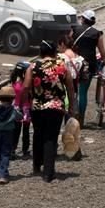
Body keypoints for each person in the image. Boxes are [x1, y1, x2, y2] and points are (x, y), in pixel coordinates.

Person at [24, 40, 77, 182]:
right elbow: (70, 88)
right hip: (56, 107)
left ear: (41, 52)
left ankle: (36, 165)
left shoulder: (33, 66)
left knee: (38, 134)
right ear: (54, 52)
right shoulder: (61, 66)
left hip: (37, 107)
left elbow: (26, 86)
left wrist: (25, 102)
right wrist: (72, 106)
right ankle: (48, 172)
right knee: (51, 138)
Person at [70, 9, 105, 125]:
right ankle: (80, 120)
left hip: (74, 64)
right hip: (88, 66)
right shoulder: (97, 34)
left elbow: (68, 45)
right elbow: (102, 52)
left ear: (82, 19)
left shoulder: (74, 29)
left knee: (71, 91)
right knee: (82, 93)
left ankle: (70, 117)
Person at [10, 61, 32, 159]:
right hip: (26, 109)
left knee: (15, 130)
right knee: (26, 131)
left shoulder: (15, 83)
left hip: (16, 108)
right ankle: (25, 151)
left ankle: (12, 149)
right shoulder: (27, 84)